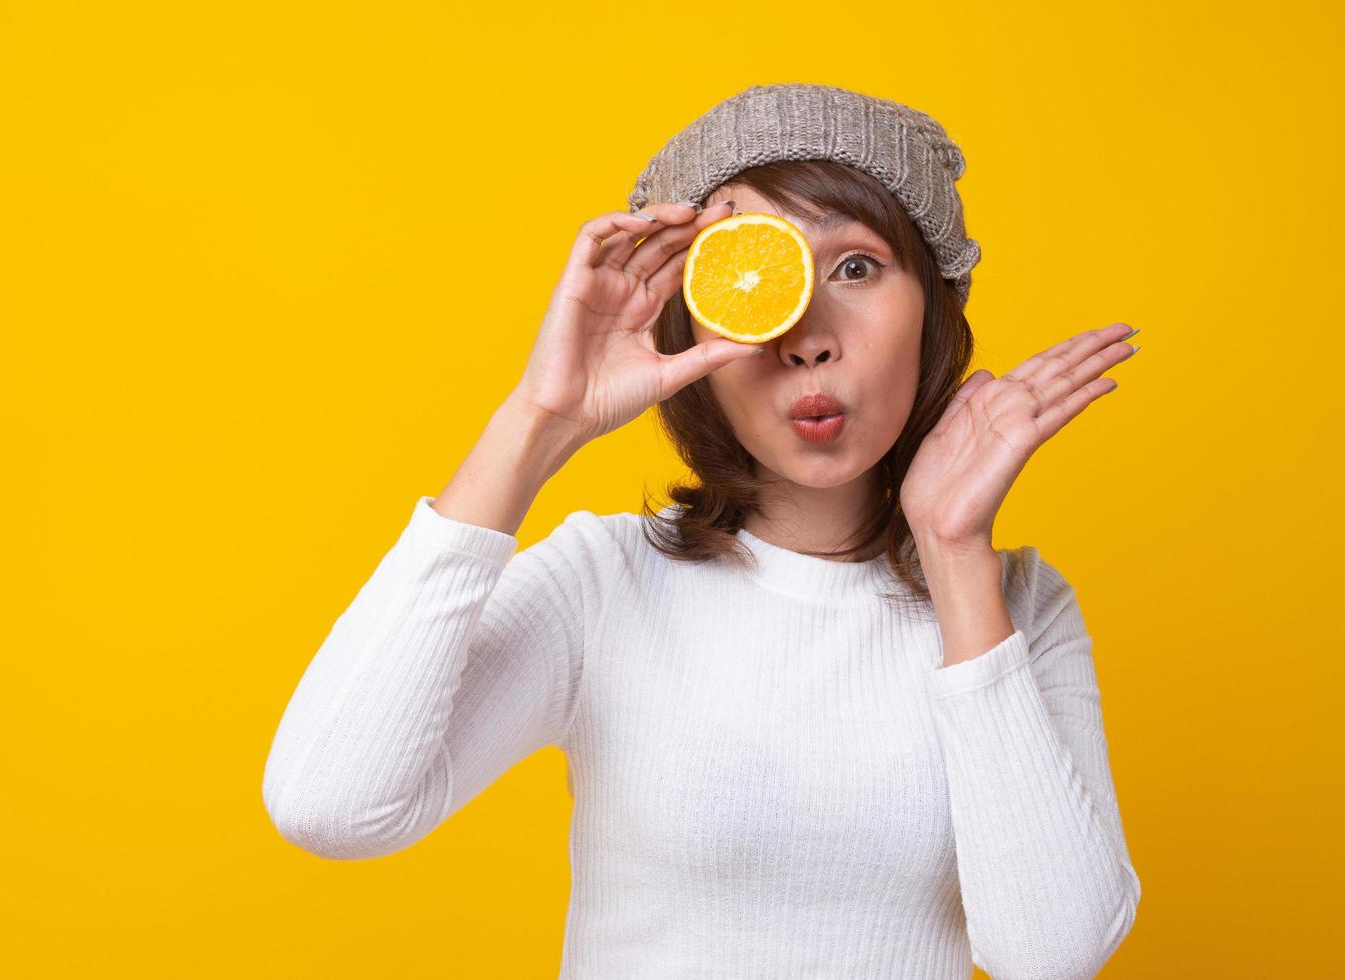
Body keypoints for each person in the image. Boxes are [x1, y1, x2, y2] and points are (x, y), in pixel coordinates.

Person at [262, 83, 1143, 979]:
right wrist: (540, 419)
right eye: (758, 272)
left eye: (856, 267)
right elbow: (330, 803)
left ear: (935, 308)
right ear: (691, 322)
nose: (808, 338)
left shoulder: (1018, 608)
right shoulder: (605, 583)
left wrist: (956, 559)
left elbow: (1051, 953)